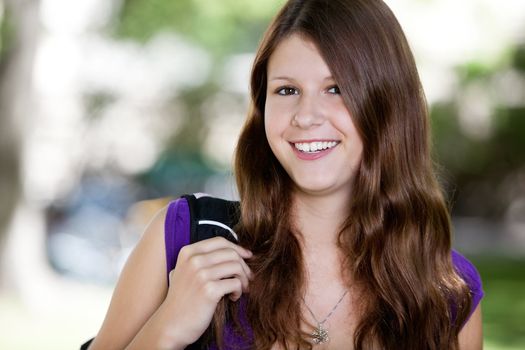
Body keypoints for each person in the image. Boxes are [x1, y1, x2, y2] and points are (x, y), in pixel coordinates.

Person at [88, 0, 483, 349]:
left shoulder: (446, 291)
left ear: (388, 105)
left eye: (337, 88)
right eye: (286, 90)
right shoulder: (183, 240)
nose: (306, 117)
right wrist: (166, 329)